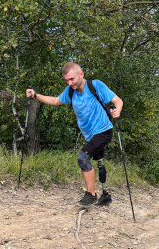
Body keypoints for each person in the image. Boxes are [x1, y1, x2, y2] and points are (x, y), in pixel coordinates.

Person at [26, 62, 123, 207]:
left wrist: (118, 110)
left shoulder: (95, 86)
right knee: (99, 162)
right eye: (66, 80)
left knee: (83, 158)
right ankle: (105, 195)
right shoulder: (70, 91)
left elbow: (117, 100)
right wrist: (35, 95)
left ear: (81, 74)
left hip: (103, 130)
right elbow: (55, 101)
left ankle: (91, 195)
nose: (70, 83)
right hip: (89, 134)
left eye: (72, 79)